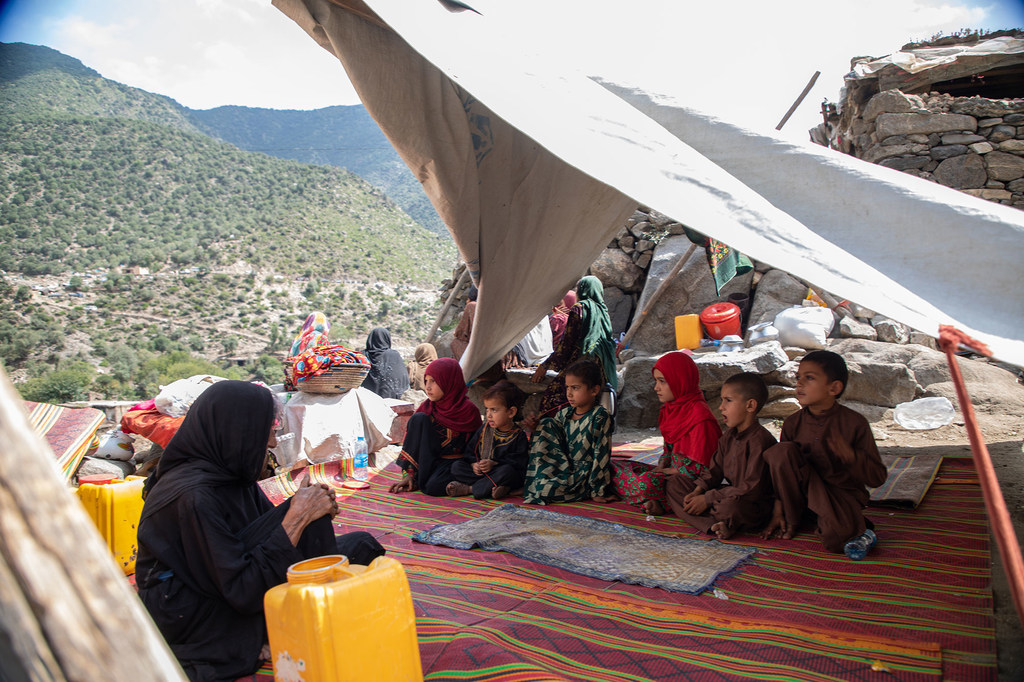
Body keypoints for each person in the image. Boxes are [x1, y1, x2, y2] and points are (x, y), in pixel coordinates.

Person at [135, 381, 384, 681]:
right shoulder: (193, 496)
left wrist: (308, 509)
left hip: (229, 581)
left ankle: (298, 617)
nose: (271, 443)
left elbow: (268, 534)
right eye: (267, 432)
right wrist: (299, 516)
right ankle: (279, 628)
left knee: (361, 546)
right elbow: (242, 588)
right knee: (312, 524)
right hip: (191, 611)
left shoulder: (229, 474)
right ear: (239, 431)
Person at [760, 350, 888, 559]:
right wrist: (778, 511)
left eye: (809, 378)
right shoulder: (793, 423)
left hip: (839, 495)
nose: (799, 384)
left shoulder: (854, 423)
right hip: (800, 496)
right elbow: (782, 471)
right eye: (798, 378)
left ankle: (854, 526)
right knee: (780, 452)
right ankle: (794, 519)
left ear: (834, 387)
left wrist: (851, 456)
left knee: (836, 540)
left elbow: (878, 478)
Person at [664, 372, 777, 539]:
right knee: (675, 484)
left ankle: (715, 521)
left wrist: (707, 499)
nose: (721, 407)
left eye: (728, 401)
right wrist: (697, 492)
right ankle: (716, 524)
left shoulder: (760, 441)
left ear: (750, 406)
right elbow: (714, 472)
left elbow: (751, 489)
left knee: (731, 507)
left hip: (750, 502)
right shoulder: (728, 436)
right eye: (722, 400)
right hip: (725, 495)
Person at [611, 351, 721, 515]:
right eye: (656, 381)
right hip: (669, 473)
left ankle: (662, 502)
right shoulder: (670, 410)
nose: (656, 388)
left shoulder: (700, 417)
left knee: (647, 483)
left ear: (680, 381)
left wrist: (673, 471)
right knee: (614, 465)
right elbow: (668, 450)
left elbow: (708, 467)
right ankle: (656, 501)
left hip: (688, 482)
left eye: (662, 381)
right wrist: (662, 465)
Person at [523, 359, 616, 504]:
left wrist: (597, 491)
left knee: (541, 490)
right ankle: (539, 483)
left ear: (594, 390)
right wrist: (536, 428)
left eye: (575, 388)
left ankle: (539, 486)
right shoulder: (564, 414)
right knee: (546, 423)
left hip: (581, 476)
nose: (569, 393)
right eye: (567, 387)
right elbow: (553, 446)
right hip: (561, 469)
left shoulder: (599, 416)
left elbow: (602, 453)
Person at [389, 357, 482, 496]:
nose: (428, 386)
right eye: (426, 380)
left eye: (434, 381)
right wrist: (408, 474)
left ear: (449, 381)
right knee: (417, 418)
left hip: (457, 464)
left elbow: (477, 447)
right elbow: (413, 444)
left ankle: (472, 486)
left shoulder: (469, 411)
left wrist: (474, 465)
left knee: (432, 487)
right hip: (431, 462)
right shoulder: (427, 408)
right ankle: (415, 478)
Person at [530, 276, 617, 422]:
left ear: (581, 290)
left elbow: (567, 343)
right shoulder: (603, 311)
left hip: (582, 365)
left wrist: (545, 366)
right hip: (601, 368)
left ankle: (553, 432)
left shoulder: (579, 308)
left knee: (554, 396)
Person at [447, 381, 530, 500]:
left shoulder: (518, 435)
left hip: (501, 471)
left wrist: (494, 463)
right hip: (484, 474)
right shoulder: (484, 429)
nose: (489, 415)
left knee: (507, 472)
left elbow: (519, 462)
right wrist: (474, 464)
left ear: (511, 412)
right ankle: (498, 488)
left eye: (494, 410)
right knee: (456, 466)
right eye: (487, 409)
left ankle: (470, 489)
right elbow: (471, 451)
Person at [360, 327, 410, 400]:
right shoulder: (393, 355)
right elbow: (402, 380)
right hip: (390, 402)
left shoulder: (362, 356)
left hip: (364, 401)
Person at [450, 286, 477, 362]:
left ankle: (463, 370)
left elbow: (460, 332)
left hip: (482, 350)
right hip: (503, 349)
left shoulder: (472, 306)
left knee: (455, 344)